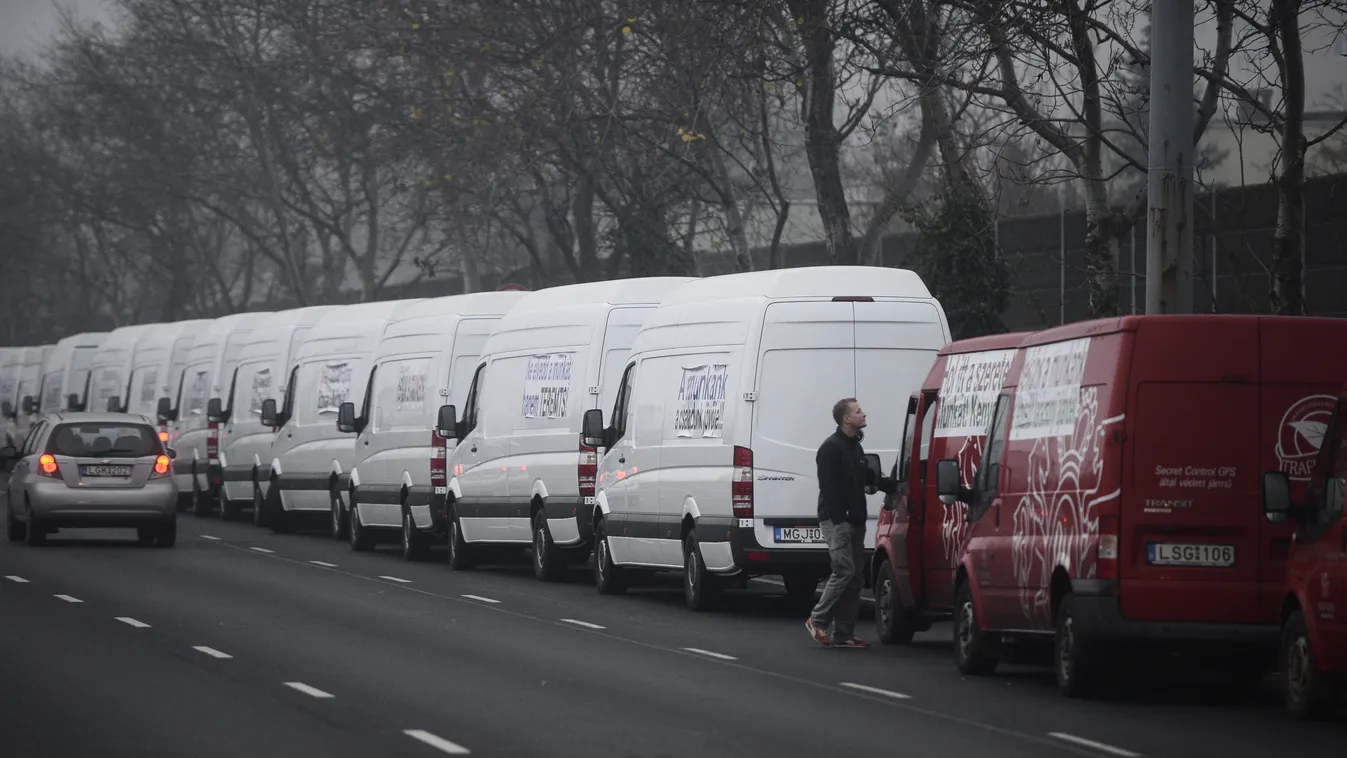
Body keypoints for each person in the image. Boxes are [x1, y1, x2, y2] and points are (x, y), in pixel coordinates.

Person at [806, 397, 896, 648]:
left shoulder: (855, 447)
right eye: (858, 411)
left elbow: (868, 476)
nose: (863, 414)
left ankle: (843, 634)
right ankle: (817, 619)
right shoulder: (831, 448)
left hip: (855, 519)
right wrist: (840, 520)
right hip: (838, 521)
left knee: (855, 577)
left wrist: (890, 484)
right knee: (844, 570)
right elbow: (828, 487)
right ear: (847, 418)